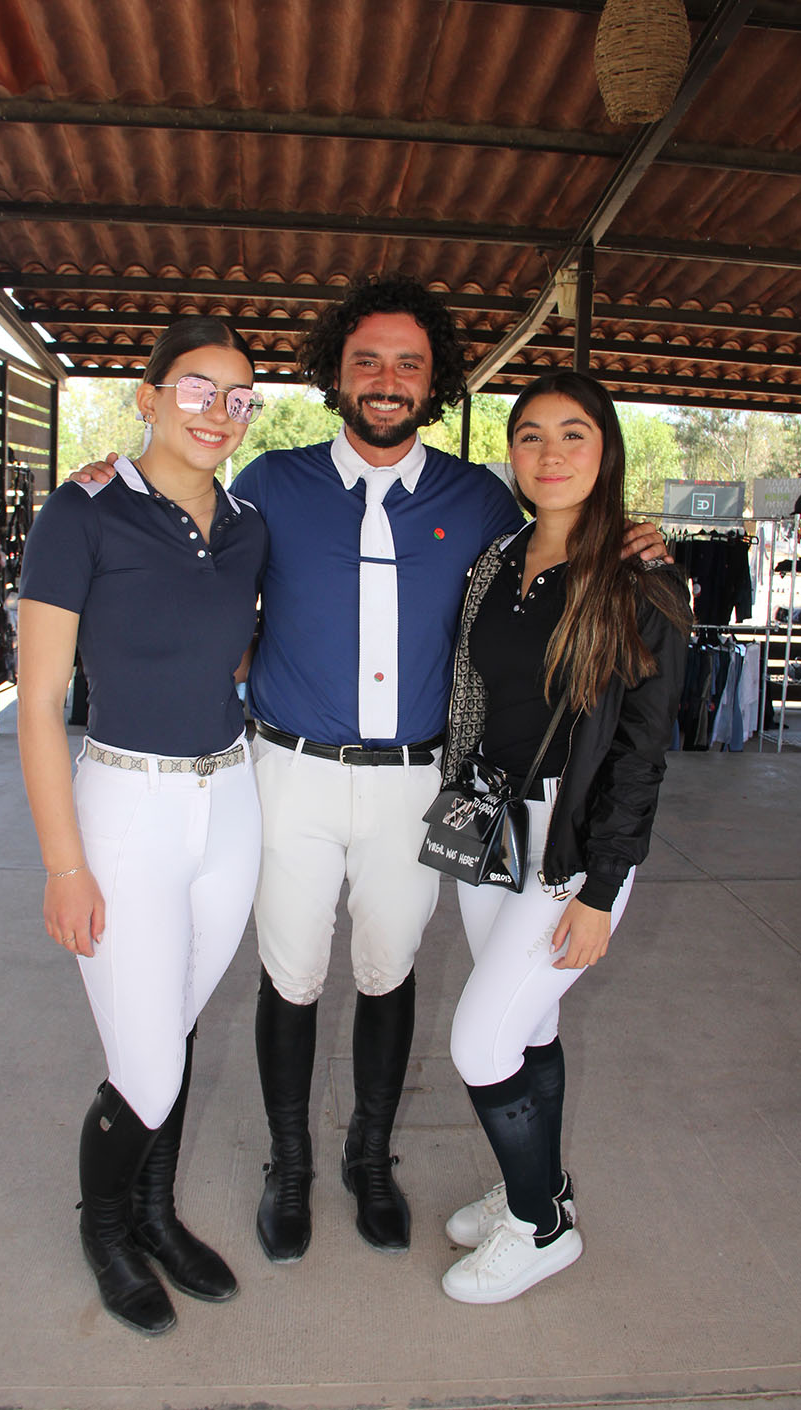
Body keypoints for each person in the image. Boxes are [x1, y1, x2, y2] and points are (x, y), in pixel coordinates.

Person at [71, 274, 667, 1266]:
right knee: (291, 973)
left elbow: (564, 540)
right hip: (287, 772)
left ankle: (370, 1159)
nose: (387, 380)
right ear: (335, 374)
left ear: (434, 381)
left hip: (419, 783)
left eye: (408, 364)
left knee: (389, 969)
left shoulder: (482, 499)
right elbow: (184, 531)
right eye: (367, 361)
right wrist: (113, 478)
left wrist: (637, 536)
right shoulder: (269, 483)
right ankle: (290, 1165)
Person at [17, 316, 268, 1336]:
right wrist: (63, 864)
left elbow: (237, 650)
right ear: (149, 396)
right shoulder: (81, 513)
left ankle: (156, 1214)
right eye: (199, 388)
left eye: (239, 398)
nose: (219, 412)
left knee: (174, 1022)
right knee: (150, 1062)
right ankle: (107, 1227)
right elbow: (39, 704)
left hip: (232, 802)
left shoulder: (248, 525)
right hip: (124, 808)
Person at [437, 371, 690, 1305]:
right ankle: (539, 1187)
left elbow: (640, 755)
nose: (551, 454)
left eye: (573, 434)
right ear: (511, 452)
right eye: (531, 435)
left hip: (568, 843)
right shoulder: (495, 561)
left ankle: (540, 1229)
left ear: (606, 450)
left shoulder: (642, 578)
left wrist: (599, 890)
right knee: (528, 1026)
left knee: (479, 1043)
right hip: (488, 824)